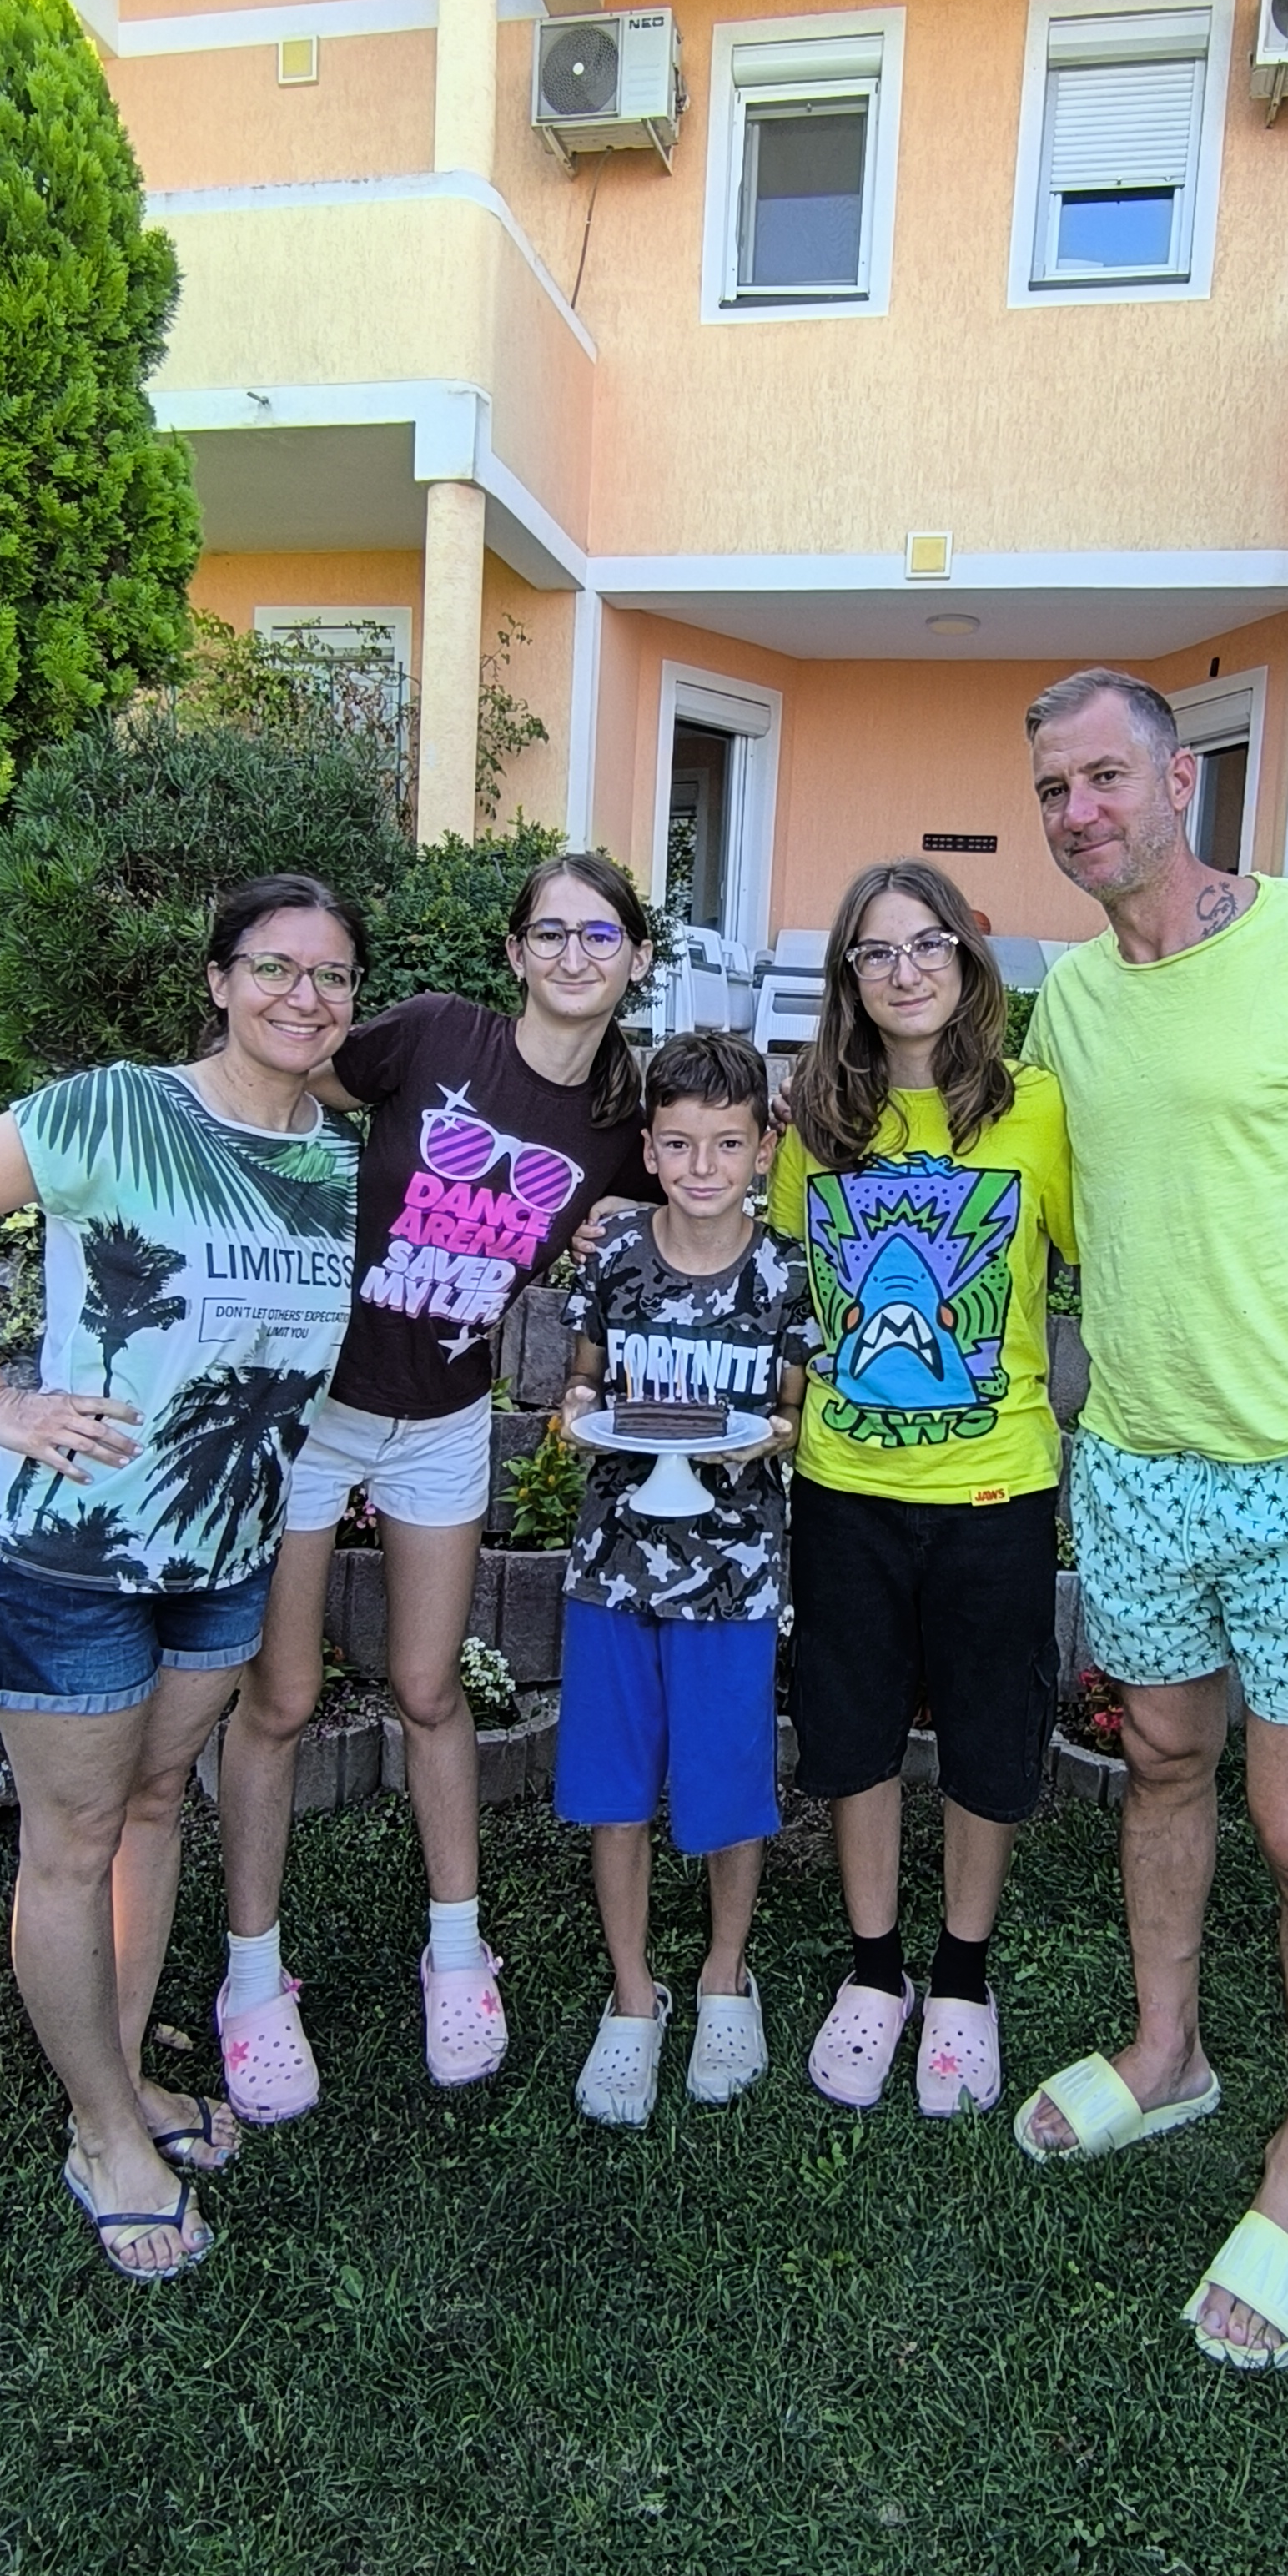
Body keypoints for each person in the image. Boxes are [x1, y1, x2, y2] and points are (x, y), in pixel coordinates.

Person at [1014, 667, 1288, 2372]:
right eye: (1054, 790)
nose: (1080, 813)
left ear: (1180, 780)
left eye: (1105, 776)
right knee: (1167, 1763)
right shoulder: (1066, 1002)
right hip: (1138, 1462)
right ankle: (1170, 2051)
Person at [0, 876, 365, 2277]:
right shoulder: (121, 1109)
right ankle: (99, 2136)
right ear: (219, 980)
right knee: (73, 1841)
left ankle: (126, 2077)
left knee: (153, 1805)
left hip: (225, 1552)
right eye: (274, 967)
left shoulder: (337, 1160)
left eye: (331, 976)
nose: (303, 996)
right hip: (73, 1550)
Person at [214, 850, 657, 2120]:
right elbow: (288, 1072)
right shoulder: (435, 1034)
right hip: (314, 1405)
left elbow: (708, 1173)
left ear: (635, 959)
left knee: (428, 1687)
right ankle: (252, 1975)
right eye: (550, 933)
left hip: (444, 1420)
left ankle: (458, 1952)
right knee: (281, 1697)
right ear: (514, 952)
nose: (575, 956)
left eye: (602, 935)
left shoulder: (622, 1114)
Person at [769, 860, 1075, 2118]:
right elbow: (793, 1293)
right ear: (848, 977)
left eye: (928, 944)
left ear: (968, 958)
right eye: (877, 952)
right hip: (844, 1485)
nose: (905, 972)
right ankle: (874, 1968)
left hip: (997, 1486)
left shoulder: (1039, 1108)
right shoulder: (815, 1122)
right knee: (852, 1732)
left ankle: (961, 1977)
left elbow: (1101, 1255)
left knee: (988, 1738)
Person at [552, 1030, 814, 2128]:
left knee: (727, 1780)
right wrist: (576, 1415)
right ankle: (631, 1994)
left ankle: (722, 1974)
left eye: (727, 1143)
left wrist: (774, 1435)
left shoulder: (785, 1270)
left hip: (734, 1575)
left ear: (762, 1148)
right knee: (614, 1787)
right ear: (650, 1149)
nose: (702, 1166)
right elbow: (581, 1383)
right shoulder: (615, 1254)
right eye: (678, 1144)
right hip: (613, 1569)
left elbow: (794, 1409)